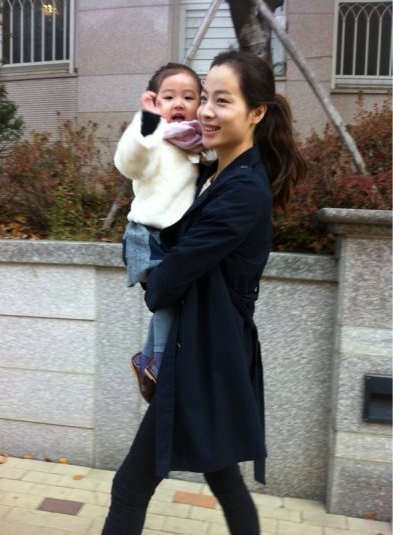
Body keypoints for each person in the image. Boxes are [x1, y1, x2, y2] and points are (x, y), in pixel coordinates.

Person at [102, 49, 306, 535]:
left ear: (256, 113)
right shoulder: (213, 174)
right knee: (224, 480)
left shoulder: (242, 190)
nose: (207, 111)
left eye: (223, 100)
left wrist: (151, 276)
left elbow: (170, 278)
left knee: (130, 488)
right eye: (206, 98)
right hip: (203, 349)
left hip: (203, 354)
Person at [114, 62, 205, 399]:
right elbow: (129, 162)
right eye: (169, 97)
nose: (179, 103)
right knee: (168, 295)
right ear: (155, 102)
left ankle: (147, 359)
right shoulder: (154, 141)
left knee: (171, 298)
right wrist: (147, 123)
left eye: (189, 97)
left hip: (174, 238)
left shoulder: (196, 143)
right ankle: (161, 362)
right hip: (148, 236)